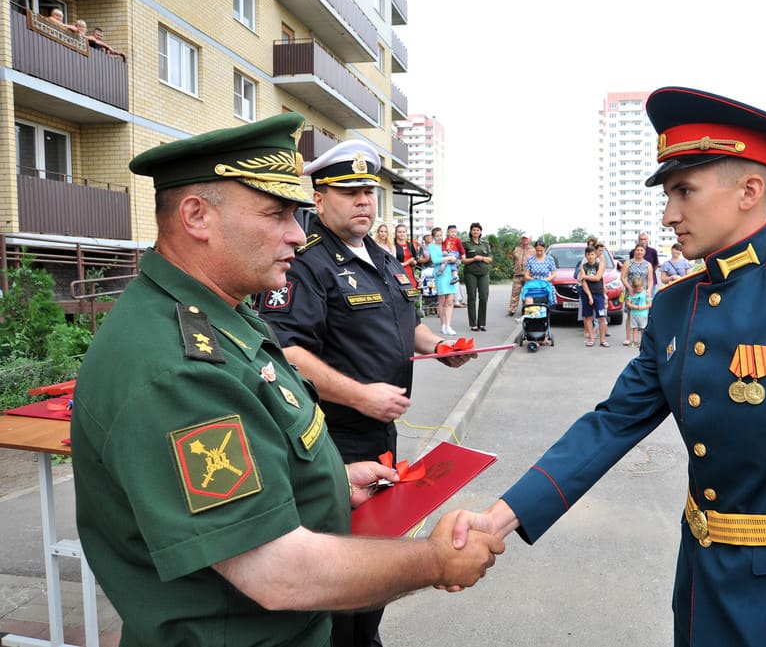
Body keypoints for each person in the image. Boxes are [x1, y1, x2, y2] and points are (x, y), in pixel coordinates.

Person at [450, 86, 766, 647]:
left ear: (749, 191)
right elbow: (613, 422)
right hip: (701, 593)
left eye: (684, 191)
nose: (668, 214)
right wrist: (502, 517)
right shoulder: (675, 303)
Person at [70, 114, 502, 647]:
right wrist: (436, 560)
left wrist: (334, 483)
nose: (298, 236)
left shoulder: (221, 312)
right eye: (276, 214)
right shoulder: (177, 368)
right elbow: (277, 573)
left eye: (296, 214)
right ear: (196, 216)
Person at [257, 140, 480, 647]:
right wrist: (358, 395)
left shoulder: (384, 259)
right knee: (336, 564)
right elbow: (284, 351)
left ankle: (365, 638)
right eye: (350, 191)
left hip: (381, 433)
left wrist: (441, 345)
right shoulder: (305, 263)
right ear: (320, 198)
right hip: (329, 439)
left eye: (369, 192)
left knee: (377, 549)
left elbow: (407, 326)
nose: (363, 201)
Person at [462, 222, 493, 332]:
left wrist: (482, 258)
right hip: (470, 273)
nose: (476, 232)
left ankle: (482, 323)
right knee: (472, 297)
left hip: (483, 273)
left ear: (480, 232)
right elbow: (463, 260)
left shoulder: (485, 244)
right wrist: (474, 258)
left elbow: (490, 259)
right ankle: (473, 324)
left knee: (484, 297)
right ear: (471, 231)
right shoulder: (466, 244)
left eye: (477, 230)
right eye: (474, 230)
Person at [620, 244, 653, 345]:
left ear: (644, 252)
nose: (639, 252)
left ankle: (643, 339)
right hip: (631, 292)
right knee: (630, 315)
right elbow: (622, 277)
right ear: (634, 251)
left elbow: (650, 280)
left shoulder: (648, 264)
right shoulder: (628, 262)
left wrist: (649, 290)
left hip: (643, 293)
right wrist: (629, 288)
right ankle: (628, 338)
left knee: (643, 315)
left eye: (641, 250)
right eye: (637, 250)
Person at [429, 226, 459, 335]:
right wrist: (447, 258)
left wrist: (454, 258)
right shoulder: (432, 246)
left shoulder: (446, 244)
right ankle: (442, 325)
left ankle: (448, 325)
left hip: (450, 273)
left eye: (441, 235)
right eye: (437, 236)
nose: (439, 237)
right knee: (442, 300)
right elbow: (435, 260)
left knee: (450, 300)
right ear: (433, 237)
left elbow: (455, 253)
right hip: (440, 274)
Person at [578, 244, 608, 347]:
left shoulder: (600, 264)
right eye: (588, 254)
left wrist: (584, 276)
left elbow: (597, 277)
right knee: (588, 317)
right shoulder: (583, 266)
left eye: (592, 254)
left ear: (595, 255)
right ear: (585, 256)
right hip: (587, 294)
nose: (590, 256)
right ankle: (591, 338)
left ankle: (603, 340)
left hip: (599, 293)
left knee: (601, 318)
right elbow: (583, 283)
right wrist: (589, 296)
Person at [442, 225, 467, 307]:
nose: (453, 233)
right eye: (451, 232)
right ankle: (456, 300)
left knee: (453, 265)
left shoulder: (457, 240)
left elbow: (461, 249)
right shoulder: (445, 240)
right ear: (448, 232)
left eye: (455, 232)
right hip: (448, 255)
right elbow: (444, 248)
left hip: (455, 255)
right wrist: (445, 251)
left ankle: (457, 300)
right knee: (447, 262)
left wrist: (463, 255)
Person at [507, 234, 532, 315]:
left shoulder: (533, 250)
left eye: (526, 238)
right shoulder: (517, 249)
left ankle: (526, 309)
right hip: (517, 275)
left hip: (528, 276)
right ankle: (512, 309)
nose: (524, 240)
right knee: (515, 293)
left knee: (527, 293)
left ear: (529, 240)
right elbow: (514, 260)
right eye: (523, 238)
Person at [393, 223, 418, 287]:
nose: (402, 234)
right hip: (398, 273)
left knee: (412, 291)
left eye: (404, 232)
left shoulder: (409, 245)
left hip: (410, 273)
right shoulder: (393, 245)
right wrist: (408, 262)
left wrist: (413, 262)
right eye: (399, 232)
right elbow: (392, 262)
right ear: (396, 233)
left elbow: (415, 259)